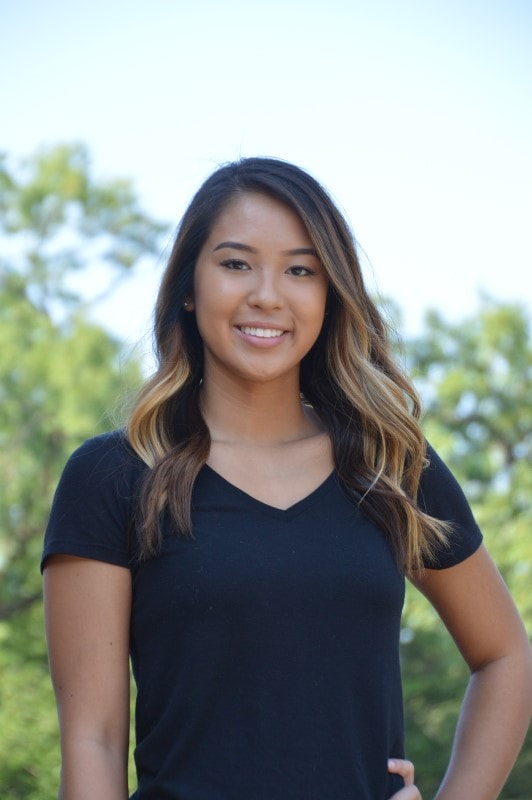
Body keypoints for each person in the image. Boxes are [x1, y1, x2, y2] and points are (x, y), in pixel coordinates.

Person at [42, 157, 531, 800]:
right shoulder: (113, 477)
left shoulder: (391, 467)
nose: (267, 295)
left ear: (329, 296)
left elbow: (506, 658)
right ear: (189, 284)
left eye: (301, 270)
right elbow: (94, 739)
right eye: (236, 263)